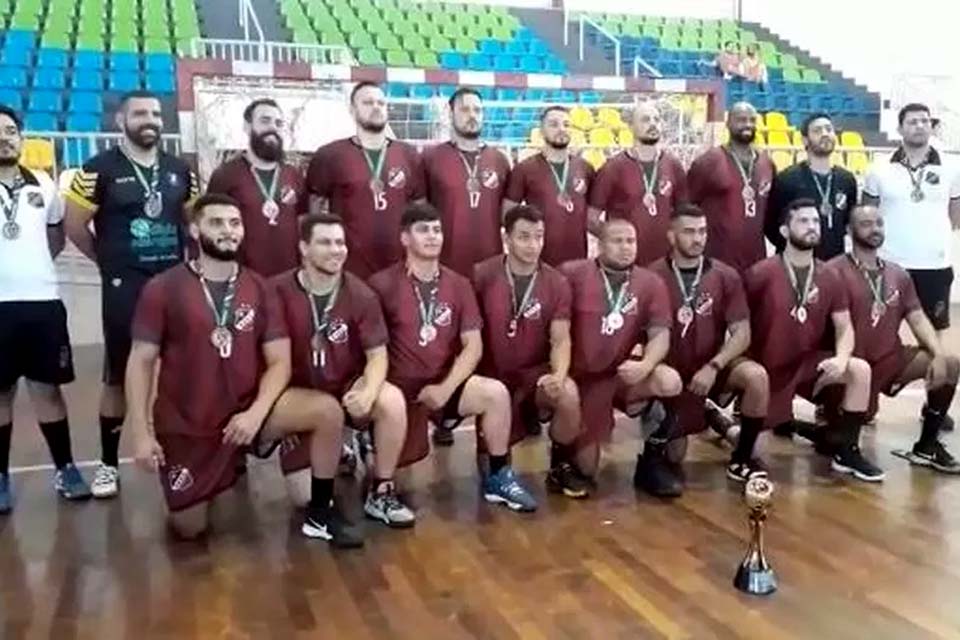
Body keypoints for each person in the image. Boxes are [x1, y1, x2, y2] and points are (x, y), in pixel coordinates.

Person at [126, 194, 346, 542]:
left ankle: (319, 508)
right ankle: (217, 474)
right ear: (195, 230)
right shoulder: (162, 288)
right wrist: (140, 433)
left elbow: (279, 363)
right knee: (190, 528)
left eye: (235, 223)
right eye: (216, 223)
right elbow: (140, 362)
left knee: (327, 411)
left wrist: (256, 414)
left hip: (247, 414)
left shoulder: (260, 287)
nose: (228, 231)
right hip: (189, 423)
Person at [64, 90, 199, 499]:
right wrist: (108, 263)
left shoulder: (180, 170)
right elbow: (74, 226)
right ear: (121, 120)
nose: (150, 120)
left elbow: (193, 224)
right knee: (119, 376)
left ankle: (183, 453)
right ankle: (108, 464)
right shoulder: (98, 169)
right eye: (140, 113)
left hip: (173, 283)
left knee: (181, 372)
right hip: (127, 286)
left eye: (156, 113)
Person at [368, 202, 538, 512]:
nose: (432, 236)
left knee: (495, 393)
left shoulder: (458, 284)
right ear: (405, 238)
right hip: (398, 387)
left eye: (436, 230)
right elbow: (372, 351)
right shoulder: (381, 285)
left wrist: (446, 388)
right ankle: (381, 491)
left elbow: (473, 346)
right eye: (423, 230)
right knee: (403, 471)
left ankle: (498, 477)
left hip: (443, 382)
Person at [272, 213, 415, 529]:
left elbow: (377, 356)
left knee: (391, 400)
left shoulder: (361, 294)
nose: (336, 250)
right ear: (303, 248)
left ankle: (381, 490)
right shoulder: (276, 292)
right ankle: (338, 448)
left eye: (340, 242)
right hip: (299, 393)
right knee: (302, 497)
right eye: (325, 242)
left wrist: (368, 391)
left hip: (345, 386)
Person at [744, 198, 882, 482]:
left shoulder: (830, 274)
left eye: (816, 221)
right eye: (803, 221)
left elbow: (844, 327)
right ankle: (728, 428)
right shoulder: (761, 274)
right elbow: (739, 326)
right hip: (768, 370)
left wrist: (842, 358)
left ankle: (848, 452)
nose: (812, 227)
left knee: (859, 369)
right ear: (784, 231)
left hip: (807, 366)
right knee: (751, 450)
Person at [0, 105, 91, 512]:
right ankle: (0, 477)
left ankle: (66, 467)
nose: (5, 138)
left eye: (11, 131)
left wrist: (33, 269)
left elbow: (55, 237)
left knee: (48, 391)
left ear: (21, 138)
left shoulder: (44, 185)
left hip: (42, 303)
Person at [827, 205, 960, 473]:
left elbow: (918, 318)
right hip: (851, 368)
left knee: (951, 363)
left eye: (878, 223)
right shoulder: (832, 271)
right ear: (850, 231)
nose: (874, 229)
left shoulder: (898, 274)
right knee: (831, 439)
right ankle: (839, 441)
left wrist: (936, 354)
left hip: (890, 360)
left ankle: (927, 446)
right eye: (865, 224)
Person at [648, 203, 770, 482]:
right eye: (689, 232)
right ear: (671, 236)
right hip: (672, 376)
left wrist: (715, 365)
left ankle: (742, 459)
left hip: (711, 369)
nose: (698, 238)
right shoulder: (652, 276)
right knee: (675, 457)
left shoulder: (725, 275)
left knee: (756, 377)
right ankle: (708, 417)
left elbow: (742, 332)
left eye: (702, 231)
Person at [561, 218, 683, 496]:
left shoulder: (650, 282)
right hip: (584, 381)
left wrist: (646, 365)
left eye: (631, 241)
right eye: (617, 241)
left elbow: (660, 335)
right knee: (587, 470)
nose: (626, 247)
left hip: (623, 375)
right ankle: (562, 457)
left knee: (669, 381)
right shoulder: (572, 274)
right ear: (599, 245)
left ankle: (652, 459)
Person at [473, 205, 588, 498]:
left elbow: (561, 340)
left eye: (539, 237)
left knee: (568, 393)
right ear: (506, 238)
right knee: (490, 473)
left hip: (533, 374)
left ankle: (560, 463)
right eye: (524, 237)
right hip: (492, 377)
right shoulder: (482, 274)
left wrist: (559, 375)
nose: (533, 245)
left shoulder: (557, 282)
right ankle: (497, 459)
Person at [306, 81, 426, 279]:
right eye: (368, 103)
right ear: (352, 110)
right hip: (349, 269)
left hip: (400, 269)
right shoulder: (330, 155)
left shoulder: (409, 155)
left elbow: (420, 210)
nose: (376, 107)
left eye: (381, 103)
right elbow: (315, 210)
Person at [863, 103, 960, 336]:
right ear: (899, 129)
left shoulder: (952, 167)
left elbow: (956, 215)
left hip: (934, 264)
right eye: (913, 122)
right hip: (889, 264)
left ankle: (933, 374)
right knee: (882, 333)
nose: (920, 126)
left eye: (925, 121)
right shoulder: (879, 168)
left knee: (934, 338)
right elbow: (867, 216)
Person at [206, 98, 307, 277]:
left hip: (290, 279)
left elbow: (303, 223)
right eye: (265, 121)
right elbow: (211, 229)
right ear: (247, 126)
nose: (273, 128)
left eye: (278, 123)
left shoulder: (294, 175)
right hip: (243, 279)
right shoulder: (225, 175)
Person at [422, 87, 511, 277]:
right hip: (445, 266)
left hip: (491, 267)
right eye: (464, 109)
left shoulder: (500, 160)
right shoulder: (430, 158)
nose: (472, 115)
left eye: (477, 110)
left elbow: (508, 214)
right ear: (450, 112)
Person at [586, 102, 688, 267]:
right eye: (646, 120)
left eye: (656, 119)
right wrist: (615, 241)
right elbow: (590, 219)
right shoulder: (613, 167)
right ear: (632, 127)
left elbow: (684, 215)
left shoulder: (673, 165)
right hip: (624, 264)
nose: (653, 124)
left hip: (665, 263)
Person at [688, 101, 776, 274]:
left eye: (752, 120)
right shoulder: (708, 161)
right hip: (716, 262)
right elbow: (688, 206)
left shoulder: (767, 163)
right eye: (741, 120)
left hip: (756, 261)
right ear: (728, 122)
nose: (748, 125)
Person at [503, 106, 594, 266]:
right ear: (541, 132)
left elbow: (594, 214)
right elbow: (507, 215)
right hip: (539, 262)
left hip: (579, 261)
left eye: (566, 125)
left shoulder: (585, 168)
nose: (561, 129)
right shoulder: (525, 169)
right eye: (554, 124)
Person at [767, 113, 858, 260]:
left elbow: (848, 224)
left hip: (833, 266)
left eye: (829, 129)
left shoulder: (847, 180)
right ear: (805, 140)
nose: (825, 134)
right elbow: (771, 225)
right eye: (817, 131)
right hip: (795, 265)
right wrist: (797, 252)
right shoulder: (787, 179)